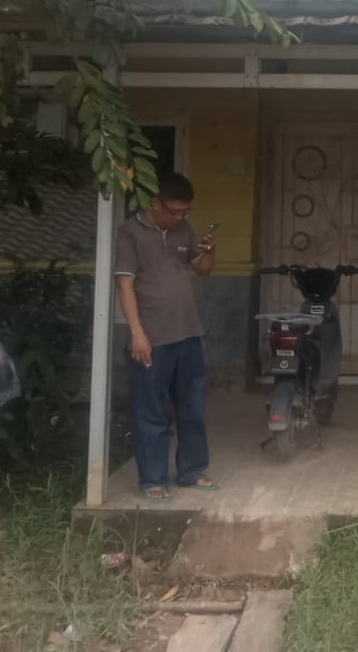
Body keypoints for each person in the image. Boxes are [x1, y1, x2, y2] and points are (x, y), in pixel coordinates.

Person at [114, 172, 217, 500]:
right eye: (175, 211)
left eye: (185, 211)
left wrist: (210, 251)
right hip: (152, 338)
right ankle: (153, 480)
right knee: (151, 411)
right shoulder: (129, 232)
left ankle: (192, 471)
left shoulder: (183, 228)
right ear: (155, 203)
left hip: (189, 333)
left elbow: (203, 269)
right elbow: (125, 285)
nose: (180, 217)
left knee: (192, 407)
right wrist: (137, 333)